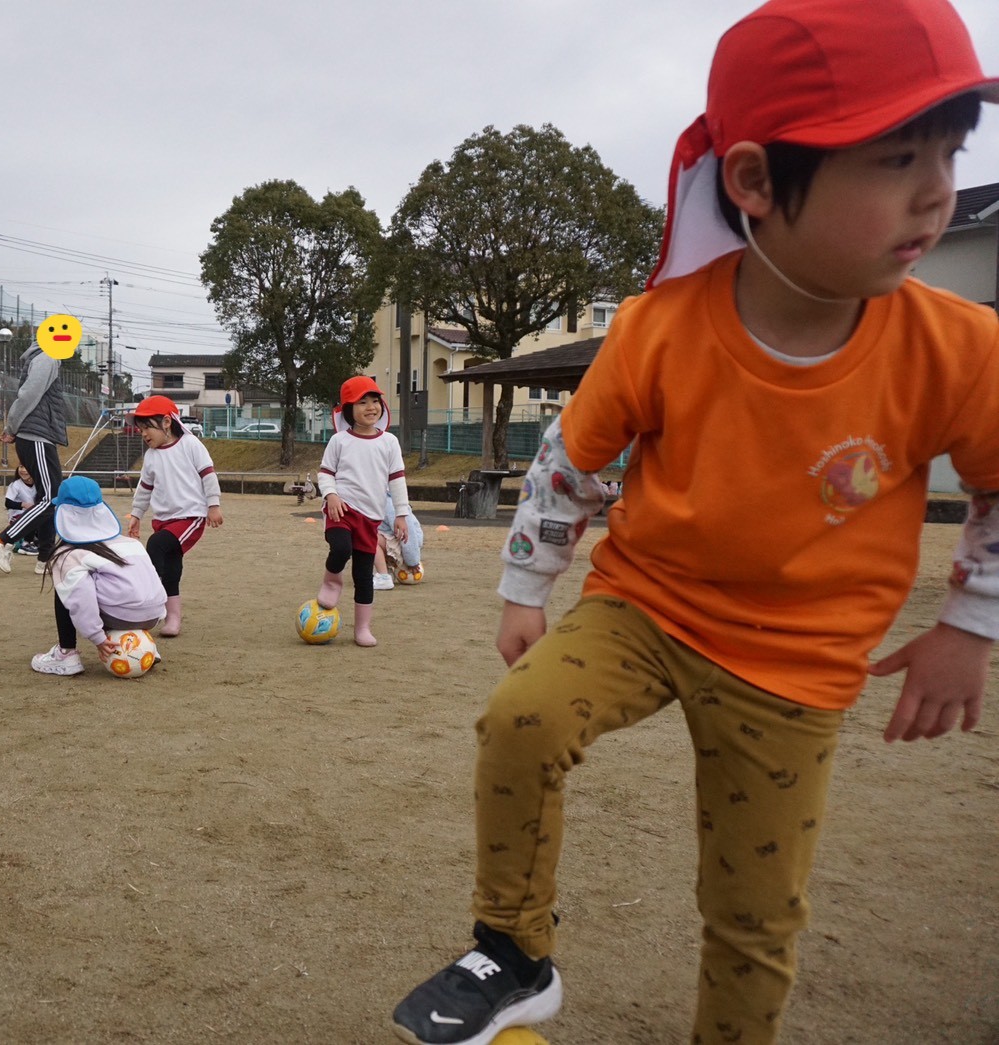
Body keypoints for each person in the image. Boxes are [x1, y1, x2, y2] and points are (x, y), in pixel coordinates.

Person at [390, 2, 999, 1042]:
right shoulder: (661, 328)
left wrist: (969, 624)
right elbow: (568, 462)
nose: (936, 190)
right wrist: (525, 590)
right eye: (898, 158)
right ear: (754, 180)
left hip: (799, 660)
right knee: (520, 720)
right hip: (646, 605)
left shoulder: (959, 347)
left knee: (753, 915)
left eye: (949, 151)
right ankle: (513, 949)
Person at [31, 476, 167, 677]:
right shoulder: (130, 543)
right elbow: (152, 578)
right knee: (117, 586)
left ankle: (66, 654)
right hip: (154, 614)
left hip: (121, 615)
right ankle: (145, 646)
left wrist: (97, 637)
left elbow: (81, 597)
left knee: (66, 588)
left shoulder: (70, 555)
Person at [315, 376, 409, 647]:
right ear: (348, 409)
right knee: (341, 549)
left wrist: (401, 514)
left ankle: (362, 628)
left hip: (371, 518)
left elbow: (397, 479)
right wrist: (331, 495)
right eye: (362, 402)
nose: (371, 407)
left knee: (363, 575)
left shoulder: (389, 442)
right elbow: (325, 473)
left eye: (375, 401)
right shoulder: (339, 441)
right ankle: (331, 583)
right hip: (341, 511)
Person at [124, 395, 223, 637]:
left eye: (147, 427)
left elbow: (208, 475)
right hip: (163, 520)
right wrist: (137, 514)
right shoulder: (151, 456)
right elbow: (145, 488)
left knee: (156, 545)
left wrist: (213, 505)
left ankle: (149, 599)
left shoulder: (190, 444)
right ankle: (173, 617)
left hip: (190, 517)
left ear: (167, 422)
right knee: (171, 568)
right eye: (140, 429)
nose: (143, 434)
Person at [0, 327, 69, 577]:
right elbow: (28, 395)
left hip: (38, 436)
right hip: (36, 437)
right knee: (51, 499)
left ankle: (45, 559)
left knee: (47, 498)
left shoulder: (43, 357)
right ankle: (2, 540)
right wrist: (11, 426)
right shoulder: (47, 357)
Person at [372, 489, 424, 590]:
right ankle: (387, 572)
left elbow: (408, 534)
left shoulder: (391, 505)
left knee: (371, 540)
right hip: (392, 541)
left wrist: (412, 561)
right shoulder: (374, 501)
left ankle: (384, 577)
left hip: (405, 546)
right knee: (367, 536)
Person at [3, 464, 40, 556]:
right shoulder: (15, 485)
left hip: (33, 513)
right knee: (31, 517)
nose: (23, 470)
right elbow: (8, 503)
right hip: (17, 516)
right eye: (21, 467)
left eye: (26, 467)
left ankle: (34, 540)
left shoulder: (38, 484)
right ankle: (25, 544)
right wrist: (23, 505)